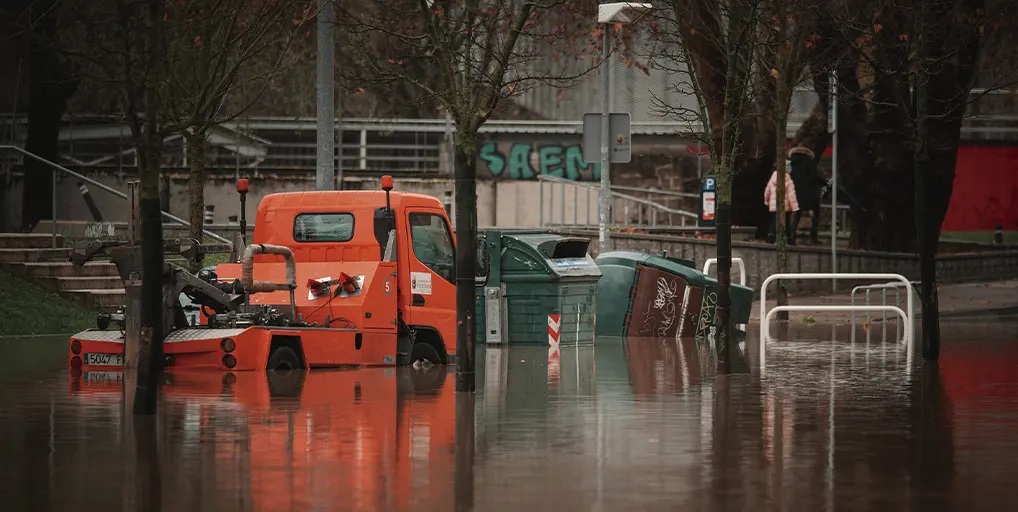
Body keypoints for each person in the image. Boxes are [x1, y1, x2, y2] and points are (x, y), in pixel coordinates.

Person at [788, 146, 822, 244]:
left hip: (794, 194)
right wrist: (825, 183)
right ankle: (813, 237)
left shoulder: (790, 166)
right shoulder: (809, 164)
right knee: (815, 214)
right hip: (809, 194)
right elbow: (815, 177)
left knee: (796, 215)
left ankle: (792, 237)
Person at [764, 163, 799, 244]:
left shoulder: (772, 178)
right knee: (786, 223)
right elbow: (791, 195)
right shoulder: (788, 179)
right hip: (785, 206)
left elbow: (767, 191)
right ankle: (789, 238)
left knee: (774, 221)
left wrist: (766, 201)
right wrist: (795, 208)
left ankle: (772, 235)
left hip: (774, 206)